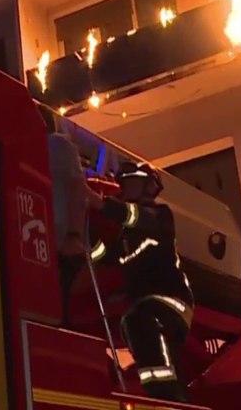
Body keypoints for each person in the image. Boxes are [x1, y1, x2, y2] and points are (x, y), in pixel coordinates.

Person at [86, 160, 194, 403]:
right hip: (146, 303)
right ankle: (164, 394)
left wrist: (98, 202)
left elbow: (135, 217)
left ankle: (167, 398)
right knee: (133, 323)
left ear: (148, 187)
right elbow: (106, 257)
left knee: (138, 320)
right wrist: (86, 237)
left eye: (131, 183)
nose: (125, 188)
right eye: (123, 183)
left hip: (171, 301)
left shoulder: (160, 217)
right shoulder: (126, 236)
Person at [37, 101, 89, 325]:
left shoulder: (56, 144)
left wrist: (74, 236)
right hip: (46, 244)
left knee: (64, 310)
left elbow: (79, 189)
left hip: (61, 245)